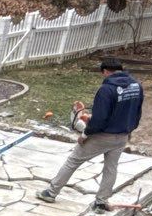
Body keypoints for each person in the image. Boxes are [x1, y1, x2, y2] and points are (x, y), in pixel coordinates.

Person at [39, 58, 142, 204]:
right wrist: (129, 130)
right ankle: (101, 201)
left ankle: (51, 192)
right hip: (122, 135)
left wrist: (85, 134)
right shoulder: (136, 86)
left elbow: (100, 118)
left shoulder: (106, 89)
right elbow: (137, 112)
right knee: (111, 168)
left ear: (105, 71)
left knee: (73, 160)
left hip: (102, 135)